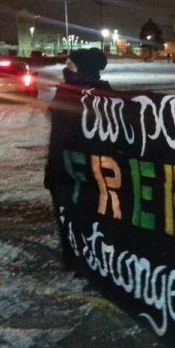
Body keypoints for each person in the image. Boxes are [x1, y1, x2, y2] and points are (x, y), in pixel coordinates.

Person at [44, 48, 111, 268]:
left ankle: (92, 263)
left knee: (90, 219)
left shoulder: (102, 95)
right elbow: (57, 135)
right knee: (66, 218)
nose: (66, 70)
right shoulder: (65, 91)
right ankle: (71, 258)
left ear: (85, 69)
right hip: (62, 169)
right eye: (66, 65)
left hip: (87, 172)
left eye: (71, 66)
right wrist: (51, 167)